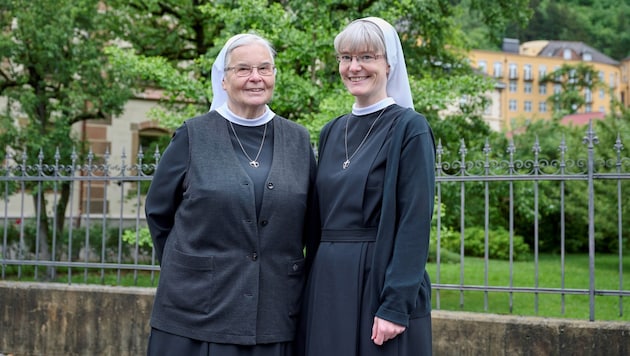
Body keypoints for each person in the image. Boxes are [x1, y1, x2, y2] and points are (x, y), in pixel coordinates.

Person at [144, 33, 317, 356]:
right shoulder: (193, 135)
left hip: (274, 313)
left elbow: (310, 224)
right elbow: (158, 212)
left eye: (265, 69)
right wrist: (190, 270)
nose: (256, 78)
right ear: (223, 80)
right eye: (243, 70)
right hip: (196, 315)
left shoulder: (297, 139)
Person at [299, 17, 436, 355]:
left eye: (366, 57)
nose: (354, 67)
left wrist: (395, 304)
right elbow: (316, 219)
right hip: (327, 281)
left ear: (389, 63)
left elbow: (414, 222)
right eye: (346, 58)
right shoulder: (332, 130)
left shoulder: (410, 128)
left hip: (378, 279)